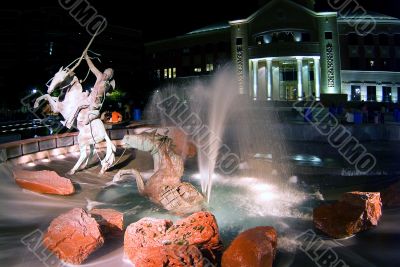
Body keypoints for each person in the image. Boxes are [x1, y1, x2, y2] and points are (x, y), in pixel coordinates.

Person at [81, 52, 115, 125]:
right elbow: (92, 67)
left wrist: (105, 86)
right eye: (106, 71)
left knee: (86, 120)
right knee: (77, 104)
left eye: (109, 73)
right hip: (89, 98)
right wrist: (86, 57)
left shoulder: (108, 85)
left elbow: (106, 91)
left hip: (96, 102)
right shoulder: (99, 75)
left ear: (110, 77)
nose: (106, 73)